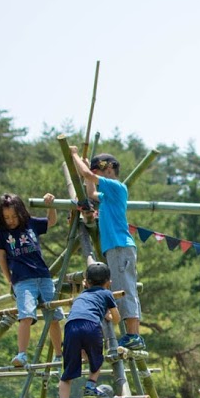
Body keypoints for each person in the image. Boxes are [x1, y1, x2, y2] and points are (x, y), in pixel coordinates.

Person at [70, 146, 145, 351]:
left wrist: (74, 156)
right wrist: (86, 167)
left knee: (125, 288)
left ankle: (133, 335)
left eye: (98, 173)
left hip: (120, 246)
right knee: (120, 286)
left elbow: (88, 176)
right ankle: (131, 334)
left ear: (109, 170)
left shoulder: (116, 186)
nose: (96, 177)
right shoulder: (108, 194)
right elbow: (91, 193)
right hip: (114, 247)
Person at [0, 192, 64, 367]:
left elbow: (51, 221)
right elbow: (2, 258)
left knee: (53, 316)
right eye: (6, 217)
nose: (11, 220)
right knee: (25, 315)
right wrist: (10, 279)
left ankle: (59, 354)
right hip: (22, 280)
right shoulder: (2, 233)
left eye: (14, 216)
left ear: (21, 212)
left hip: (43, 276)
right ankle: (22, 354)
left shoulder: (30, 223)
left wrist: (51, 205)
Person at [57, 261, 119, 398]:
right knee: (97, 360)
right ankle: (90, 387)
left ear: (86, 282)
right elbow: (116, 318)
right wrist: (108, 315)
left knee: (66, 375)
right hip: (91, 325)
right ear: (108, 282)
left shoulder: (81, 297)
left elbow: (85, 311)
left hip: (70, 326)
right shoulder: (106, 293)